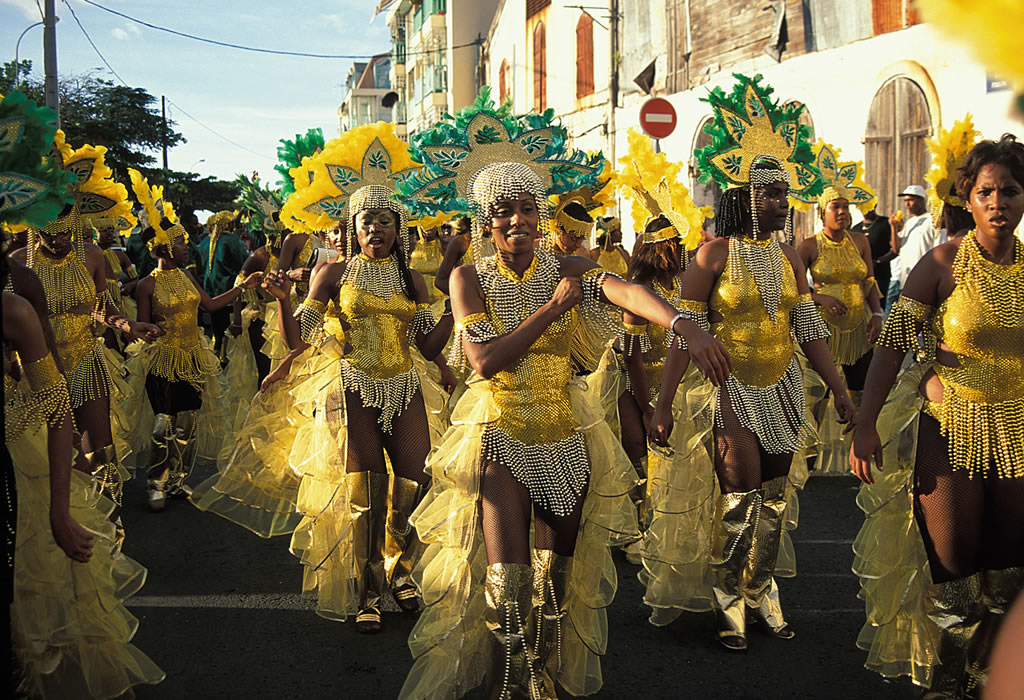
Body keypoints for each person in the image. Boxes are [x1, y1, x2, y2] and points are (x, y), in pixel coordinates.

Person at [395, 90, 694, 699]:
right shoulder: (468, 278)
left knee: (553, 579)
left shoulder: (569, 267)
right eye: (504, 211)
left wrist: (680, 322)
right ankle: (511, 681)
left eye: (528, 209)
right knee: (506, 584)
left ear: (542, 217)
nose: (518, 221)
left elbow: (625, 291)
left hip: (566, 431)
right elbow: (483, 360)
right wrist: (552, 311)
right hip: (501, 430)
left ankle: (542, 680)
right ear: (486, 222)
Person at [665, 74, 856, 651]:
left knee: (774, 499)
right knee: (740, 493)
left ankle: (760, 589)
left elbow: (807, 329)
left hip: (783, 385)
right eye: (770, 194)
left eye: (784, 194)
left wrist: (839, 388)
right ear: (743, 197)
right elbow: (683, 332)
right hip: (731, 387)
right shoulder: (712, 255)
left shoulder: (791, 257)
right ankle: (728, 598)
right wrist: (663, 401)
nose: (781, 203)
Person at [850, 134, 1024, 698]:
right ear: (967, 199)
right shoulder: (943, 263)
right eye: (986, 192)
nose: (998, 203)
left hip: (1019, 434)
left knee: (1010, 575)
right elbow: (893, 346)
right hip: (952, 430)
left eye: (1010, 191)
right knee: (955, 576)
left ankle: (986, 680)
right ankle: (946, 687)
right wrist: (865, 423)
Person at [269, 123, 454, 633]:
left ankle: (401, 570)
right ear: (353, 228)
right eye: (367, 221)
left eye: (385, 220)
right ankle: (370, 590)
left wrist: (457, 313)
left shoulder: (412, 280)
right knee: (366, 492)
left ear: (399, 227)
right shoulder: (332, 275)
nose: (376, 229)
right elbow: (301, 337)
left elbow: (427, 346)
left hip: (405, 384)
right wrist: (284, 301)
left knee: (417, 480)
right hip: (354, 387)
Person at [9, 132, 162, 509]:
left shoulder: (92, 256)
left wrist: (128, 326)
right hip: (36, 370)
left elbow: (98, 309)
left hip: (84, 362)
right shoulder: (17, 265)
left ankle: (109, 528)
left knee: (100, 450)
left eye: (66, 233)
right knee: (54, 456)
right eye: (50, 235)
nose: (59, 241)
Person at [122, 170, 263, 512]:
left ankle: (177, 481)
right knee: (162, 425)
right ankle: (156, 483)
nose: (188, 248)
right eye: (183, 243)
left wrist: (243, 287)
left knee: (188, 423)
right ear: (166, 247)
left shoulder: (187, 275)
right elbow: (141, 325)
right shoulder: (147, 285)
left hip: (193, 356)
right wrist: (146, 329)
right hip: (161, 359)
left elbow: (210, 305)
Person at [794, 141, 883, 473]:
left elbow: (869, 281)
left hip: (859, 328)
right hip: (823, 330)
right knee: (818, 391)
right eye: (836, 207)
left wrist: (877, 314)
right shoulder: (808, 246)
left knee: (863, 389)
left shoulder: (861, 241)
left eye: (846, 207)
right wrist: (821, 298)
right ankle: (808, 457)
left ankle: (860, 452)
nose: (843, 212)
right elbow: (794, 288)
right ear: (822, 211)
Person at [886, 184, 945, 311]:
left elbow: (939, 251)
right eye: (905, 201)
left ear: (921, 200)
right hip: (905, 281)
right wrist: (893, 227)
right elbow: (896, 249)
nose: (907, 204)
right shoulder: (909, 222)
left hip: (924, 280)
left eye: (911, 200)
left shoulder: (932, 220)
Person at [852, 209, 894, 301]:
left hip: (880, 276)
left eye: (868, 207)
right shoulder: (855, 229)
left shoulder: (886, 223)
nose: (865, 211)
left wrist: (878, 261)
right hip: (861, 278)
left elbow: (895, 250)